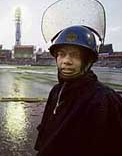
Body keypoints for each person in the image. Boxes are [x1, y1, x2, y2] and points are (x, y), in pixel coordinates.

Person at [34, 25, 122, 156]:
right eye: (61, 54)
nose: (66, 61)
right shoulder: (56, 91)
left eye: (74, 55)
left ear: (88, 61)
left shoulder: (104, 99)